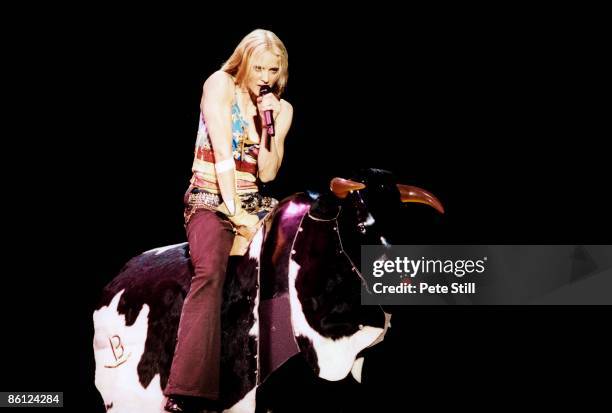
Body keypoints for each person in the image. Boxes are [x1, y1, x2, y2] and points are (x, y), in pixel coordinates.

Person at [164, 29, 293, 413]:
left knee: (302, 241)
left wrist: (269, 128)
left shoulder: (281, 109)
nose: (265, 77)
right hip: (210, 197)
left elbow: (268, 173)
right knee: (211, 270)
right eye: (259, 68)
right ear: (243, 61)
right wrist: (234, 214)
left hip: (254, 199)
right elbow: (222, 153)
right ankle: (188, 391)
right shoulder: (220, 84)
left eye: (273, 69)